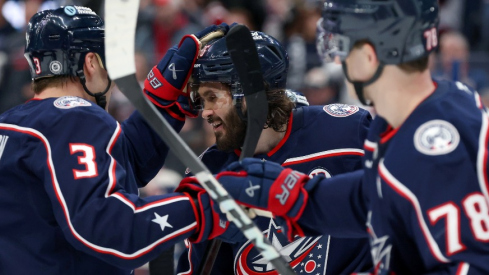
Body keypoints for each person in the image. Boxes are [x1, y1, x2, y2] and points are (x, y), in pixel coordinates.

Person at [211, 0, 489, 274]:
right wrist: (297, 197)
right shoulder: (398, 122)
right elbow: (376, 199)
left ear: (369, 56)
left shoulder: (438, 141)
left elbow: (470, 265)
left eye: (342, 47)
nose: (337, 61)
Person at [0, 6, 230, 274]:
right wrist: (205, 204)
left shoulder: (11, 122)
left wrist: (163, 104)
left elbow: (117, 167)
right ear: (91, 63)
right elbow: (108, 229)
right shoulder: (77, 117)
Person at [174, 30, 373, 274]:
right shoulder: (208, 170)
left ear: (250, 92)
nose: (205, 112)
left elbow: (397, 213)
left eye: (213, 97)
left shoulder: (347, 130)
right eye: (202, 100)